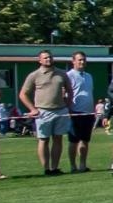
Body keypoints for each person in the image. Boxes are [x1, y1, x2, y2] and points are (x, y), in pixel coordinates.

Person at [18, 48, 74, 176]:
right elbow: (23, 94)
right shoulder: (34, 75)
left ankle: (55, 168)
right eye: (45, 58)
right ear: (40, 60)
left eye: (50, 57)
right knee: (43, 140)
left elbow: (70, 90)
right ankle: (46, 169)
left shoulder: (61, 73)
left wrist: (68, 104)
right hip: (43, 111)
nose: (48, 59)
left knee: (58, 139)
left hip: (60, 110)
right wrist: (32, 109)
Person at [65, 50, 97, 173]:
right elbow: (66, 94)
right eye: (79, 60)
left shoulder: (89, 76)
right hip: (75, 112)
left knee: (85, 140)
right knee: (73, 140)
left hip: (88, 113)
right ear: (73, 61)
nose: (82, 62)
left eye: (84, 59)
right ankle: (73, 166)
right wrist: (68, 110)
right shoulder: (69, 75)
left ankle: (83, 164)